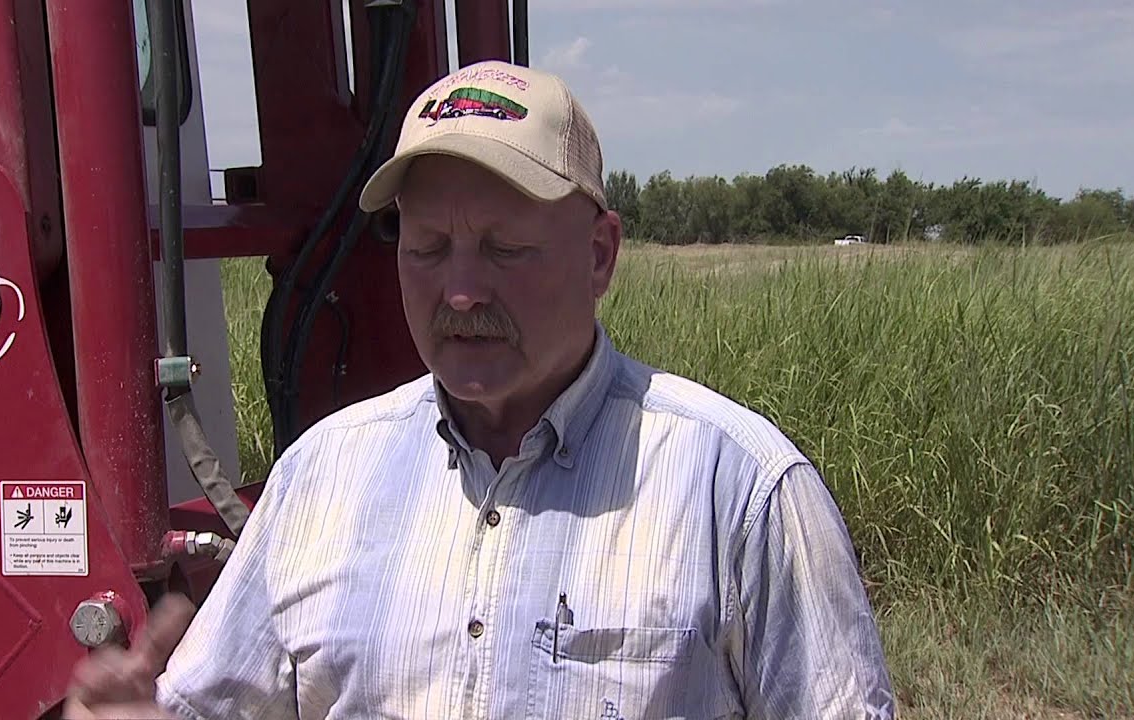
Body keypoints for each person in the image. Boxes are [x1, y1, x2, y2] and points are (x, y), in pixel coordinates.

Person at [64, 59, 894, 720]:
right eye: (427, 248)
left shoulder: (740, 492)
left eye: (503, 248)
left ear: (601, 253)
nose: (459, 292)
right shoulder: (321, 477)